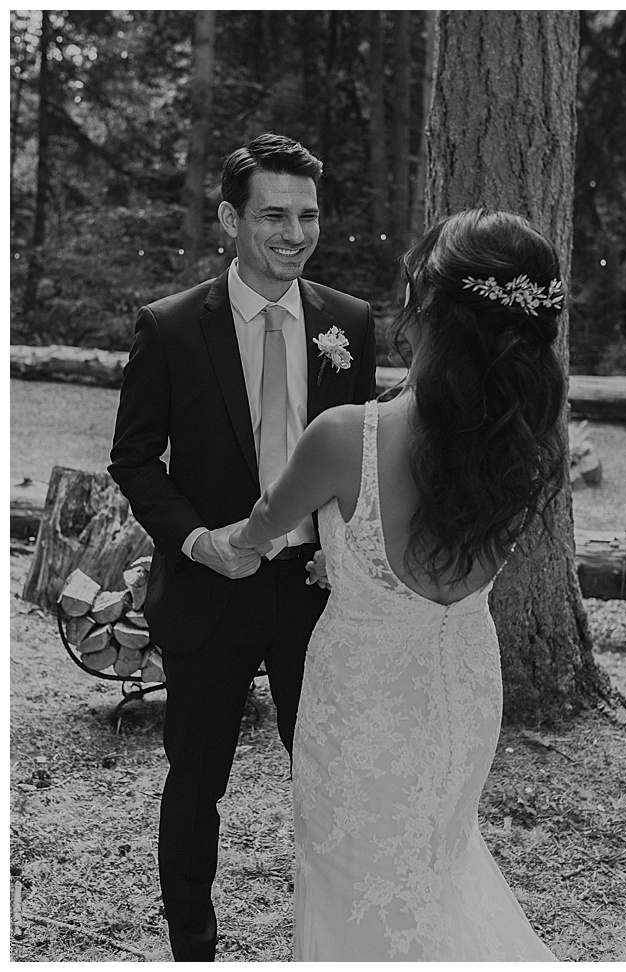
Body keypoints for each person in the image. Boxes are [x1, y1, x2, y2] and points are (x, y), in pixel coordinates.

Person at [224, 209, 566, 960]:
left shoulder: (345, 436)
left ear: (428, 307)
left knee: (349, 874)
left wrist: (229, 547)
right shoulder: (529, 440)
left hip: (364, 699)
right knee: (435, 868)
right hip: (464, 687)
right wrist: (351, 563)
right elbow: (440, 552)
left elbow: (267, 520)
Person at [108, 132, 377, 960]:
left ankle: (337, 942)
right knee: (196, 785)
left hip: (315, 594)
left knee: (331, 781)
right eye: (274, 216)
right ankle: (193, 948)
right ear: (231, 219)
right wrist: (195, 541)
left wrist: (344, 544)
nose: (296, 234)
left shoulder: (350, 323)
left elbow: (363, 453)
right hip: (209, 589)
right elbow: (133, 459)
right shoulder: (170, 327)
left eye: (308, 216)